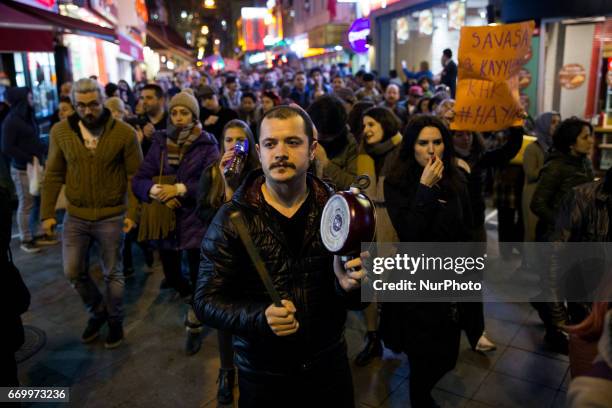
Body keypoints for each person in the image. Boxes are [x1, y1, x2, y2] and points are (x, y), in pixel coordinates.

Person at [194, 105, 367, 407]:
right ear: (259, 152)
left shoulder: (341, 210)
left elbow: (364, 296)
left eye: (293, 142)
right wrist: (260, 316)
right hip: (263, 375)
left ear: (313, 149)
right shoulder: (232, 218)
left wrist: (350, 286)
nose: (281, 152)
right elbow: (206, 300)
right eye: (271, 144)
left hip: (328, 367)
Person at [40, 78, 142, 349]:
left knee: (113, 273)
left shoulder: (123, 133)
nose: (88, 110)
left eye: (93, 104)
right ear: (74, 105)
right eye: (81, 105)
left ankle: (115, 321)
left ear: (102, 102)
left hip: (112, 214)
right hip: (76, 214)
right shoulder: (60, 132)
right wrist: (47, 213)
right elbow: (53, 174)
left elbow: (136, 176)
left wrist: (134, 212)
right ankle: (98, 311)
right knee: (73, 270)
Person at [382, 114, 472, 407]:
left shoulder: (456, 177)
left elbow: (466, 228)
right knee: (421, 358)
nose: (432, 150)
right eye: (423, 143)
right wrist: (424, 189)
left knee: (447, 356)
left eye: (437, 142)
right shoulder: (396, 182)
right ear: (412, 147)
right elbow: (409, 233)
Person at [132, 89, 219, 355]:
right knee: (171, 275)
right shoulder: (160, 142)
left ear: (194, 115)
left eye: (185, 112)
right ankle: (193, 302)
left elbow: (211, 183)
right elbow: (140, 179)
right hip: (167, 223)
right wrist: (158, 192)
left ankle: (194, 321)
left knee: (197, 275)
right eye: (175, 112)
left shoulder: (207, 144)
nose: (179, 117)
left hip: (195, 221)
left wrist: (179, 189)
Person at [197, 119, 260, 405]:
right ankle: (226, 370)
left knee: (251, 312)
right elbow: (204, 216)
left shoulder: (258, 175)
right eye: (229, 140)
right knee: (224, 316)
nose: (234, 146)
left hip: (252, 255)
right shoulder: (212, 173)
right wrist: (224, 182)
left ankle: (252, 366)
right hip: (224, 256)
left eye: (240, 140)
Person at [530, 117, 595, 353]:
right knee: (554, 287)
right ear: (570, 142)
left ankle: (542, 305)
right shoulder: (556, 166)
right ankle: (553, 333)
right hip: (553, 238)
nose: (591, 141)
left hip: (575, 239)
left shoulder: (584, 163)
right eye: (585, 137)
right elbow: (538, 204)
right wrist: (562, 224)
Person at [353, 107, 402, 367]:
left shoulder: (403, 152)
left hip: (394, 227)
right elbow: (359, 188)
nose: (367, 130)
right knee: (368, 286)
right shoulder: (362, 152)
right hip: (368, 225)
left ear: (386, 123)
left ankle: (394, 335)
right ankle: (373, 339)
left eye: (372, 124)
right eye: (364, 124)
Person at [1, 87, 52, 253]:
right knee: (26, 204)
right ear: (23, 99)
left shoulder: (27, 116)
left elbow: (31, 139)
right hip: (23, 169)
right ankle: (26, 239)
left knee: (36, 201)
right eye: (30, 96)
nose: (33, 99)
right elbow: (7, 147)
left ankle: (35, 234)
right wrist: (29, 157)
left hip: (34, 167)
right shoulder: (11, 120)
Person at [523, 112, 560, 243]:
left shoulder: (556, 147)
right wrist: (551, 165)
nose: (556, 125)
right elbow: (531, 174)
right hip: (533, 195)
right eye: (553, 122)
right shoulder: (532, 148)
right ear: (544, 124)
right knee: (532, 234)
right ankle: (529, 263)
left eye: (558, 122)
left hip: (549, 196)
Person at [307, 95, 358, 191]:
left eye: (326, 137)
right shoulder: (302, 135)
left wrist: (326, 164)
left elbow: (355, 185)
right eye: (317, 133)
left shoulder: (349, 143)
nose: (319, 138)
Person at [127, 84, 168, 157]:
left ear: (161, 100)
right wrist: (138, 143)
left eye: (149, 98)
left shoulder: (171, 121)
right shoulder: (136, 124)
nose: (144, 102)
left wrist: (155, 137)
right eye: (142, 98)